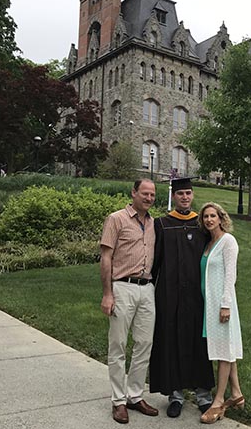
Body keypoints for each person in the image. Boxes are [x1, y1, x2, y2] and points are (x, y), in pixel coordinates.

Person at [149, 177, 215, 417]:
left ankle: (203, 396)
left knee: (200, 343)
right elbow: (155, 261)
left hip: (197, 296)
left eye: (188, 193)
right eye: (180, 194)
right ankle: (175, 395)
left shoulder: (202, 225)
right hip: (170, 295)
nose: (185, 197)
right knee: (172, 341)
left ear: (192, 194)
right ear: (174, 196)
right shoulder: (163, 224)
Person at [100, 179, 159, 424]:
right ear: (133, 193)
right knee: (118, 345)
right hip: (122, 287)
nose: (149, 198)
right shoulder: (116, 219)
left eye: (153, 194)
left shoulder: (154, 223)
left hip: (147, 289)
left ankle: (135, 396)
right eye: (145, 193)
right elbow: (105, 256)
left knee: (144, 344)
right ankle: (118, 400)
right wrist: (107, 293)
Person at [198, 202, 244, 424]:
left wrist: (225, 304)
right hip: (208, 304)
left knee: (222, 353)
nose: (209, 220)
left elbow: (230, 276)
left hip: (221, 305)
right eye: (205, 216)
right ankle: (236, 393)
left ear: (220, 218)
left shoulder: (228, 241)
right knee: (225, 349)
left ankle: (218, 401)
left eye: (212, 216)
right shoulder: (209, 243)